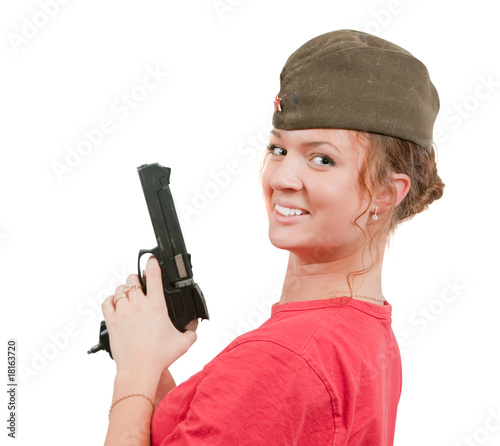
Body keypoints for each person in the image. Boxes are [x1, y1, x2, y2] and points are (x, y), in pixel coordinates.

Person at [101, 29, 444, 445]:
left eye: (322, 159)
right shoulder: (361, 336)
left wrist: (133, 375)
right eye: (278, 149)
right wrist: (150, 366)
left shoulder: (283, 359)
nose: (280, 177)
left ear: (385, 194)